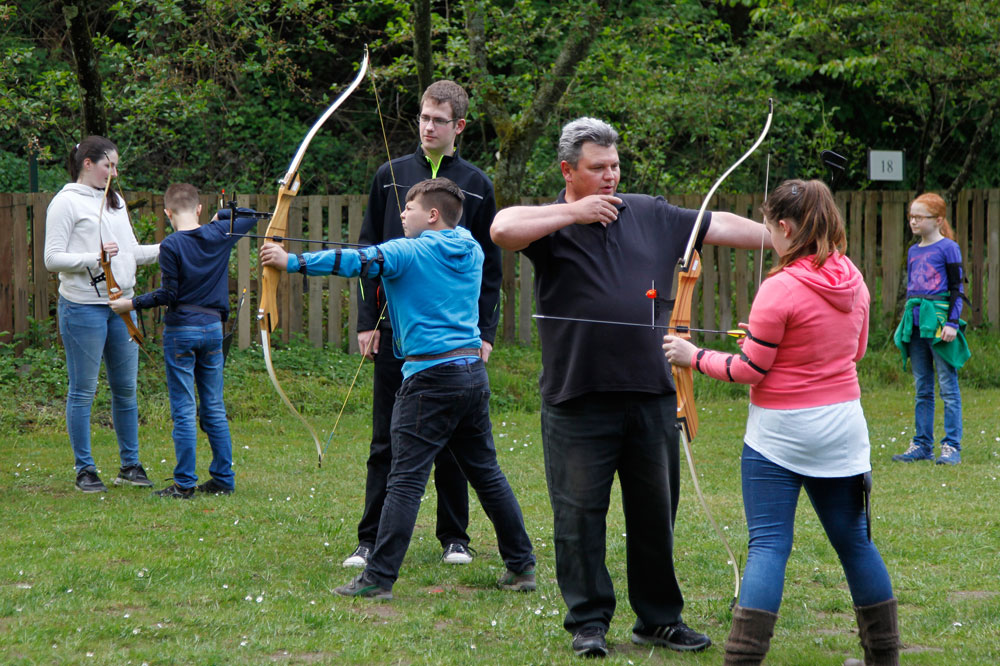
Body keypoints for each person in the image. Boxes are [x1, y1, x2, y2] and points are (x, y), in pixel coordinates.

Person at [490, 117, 773, 658]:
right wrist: (574, 213)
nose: (610, 176)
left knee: (653, 514)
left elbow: (719, 225)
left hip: (650, 392)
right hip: (577, 397)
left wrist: (786, 239)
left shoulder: (649, 212)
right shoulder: (551, 224)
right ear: (568, 170)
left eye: (615, 166)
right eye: (598, 169)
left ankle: (659, 619)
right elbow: (502, 227)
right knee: (578, 517)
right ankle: (588, 622)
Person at [260, 178, 535, 599]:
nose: (401, 214)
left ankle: (377, 578)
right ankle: (521, 566)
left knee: (404, 480)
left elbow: (353, 261)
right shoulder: (472, 248)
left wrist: (290, 261)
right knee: (487, 474)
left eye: (409, 207)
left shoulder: (407, 251)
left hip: (429, 380)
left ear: (432, 215)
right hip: (471, 375)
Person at [663, 179, 899, 666]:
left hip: (780, 433)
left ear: (787, 227)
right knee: (856, 543)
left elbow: (749, 369)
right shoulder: (853, 278)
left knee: (768, 546)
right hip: (842, 428)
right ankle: (884, 658)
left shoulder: (780, 288)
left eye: (770, 227)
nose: (769, 234)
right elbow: (853, 352)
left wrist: (692, 355)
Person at [345, 79, 501, 569]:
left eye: (438, 120)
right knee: (385, 438)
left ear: (458, 126)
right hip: (397, 332)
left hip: (454, 340)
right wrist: (369, 321)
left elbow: (491, 269)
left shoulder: (475, 184)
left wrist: (486, 334)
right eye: (423, 117)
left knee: (454, 442)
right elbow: (368, 251)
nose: (428, 127)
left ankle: (455, 536)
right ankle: (369, 540)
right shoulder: (390, 174)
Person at [109, 184, 259, 498]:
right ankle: (222, 479)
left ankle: (185, 484)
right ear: (200, 208)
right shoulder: (220, 232)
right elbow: (250, 216)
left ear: (167, 213)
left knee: (184, 408)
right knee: (214, 407)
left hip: (181, 332)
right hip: (212, 330)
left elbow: (169, 295)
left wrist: (131, 304)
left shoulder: (173, 245)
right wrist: (222, 216)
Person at [44, 135, 160, 493]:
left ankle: (130, 465)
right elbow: (52, 259)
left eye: (116, 165)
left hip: (123, 306)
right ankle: (85, 470)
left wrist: (177, 246)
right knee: (83, 391)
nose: (114, 171)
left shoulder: (115, 201)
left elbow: (129, 253)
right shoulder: (65, 203)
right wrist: (94, 258)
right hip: (83, 308)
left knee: (126, 390)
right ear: (88, 163)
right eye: (108, 164)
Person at [891, 192, 969, 466]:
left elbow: (957, 289)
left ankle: (951, 446)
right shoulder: (913, 251)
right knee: (922, 386)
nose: (913, 221)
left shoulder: (949, 248)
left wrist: (950, 323)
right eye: (910, 216)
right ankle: (922, 444)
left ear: (937, 220)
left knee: (948, 386)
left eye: (919, 217)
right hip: (916, 326)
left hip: (938, 325)